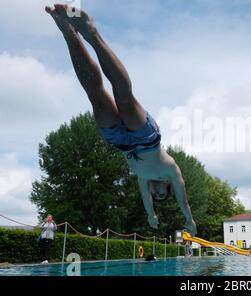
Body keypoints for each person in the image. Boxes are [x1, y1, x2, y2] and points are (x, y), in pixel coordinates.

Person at [45, 4, 197, 236]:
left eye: (156, 196)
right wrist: (189, 220)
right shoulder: (172, 173)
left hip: (120, 142)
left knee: (95, 96)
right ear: (167, 187)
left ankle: (69, 32)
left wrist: (151, 215)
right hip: (146, 138)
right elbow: (183, 201)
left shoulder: (143, 178)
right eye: (161, 193)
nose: (156, 194)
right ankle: (92, 34)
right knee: (124, 98)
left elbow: (146, 201)